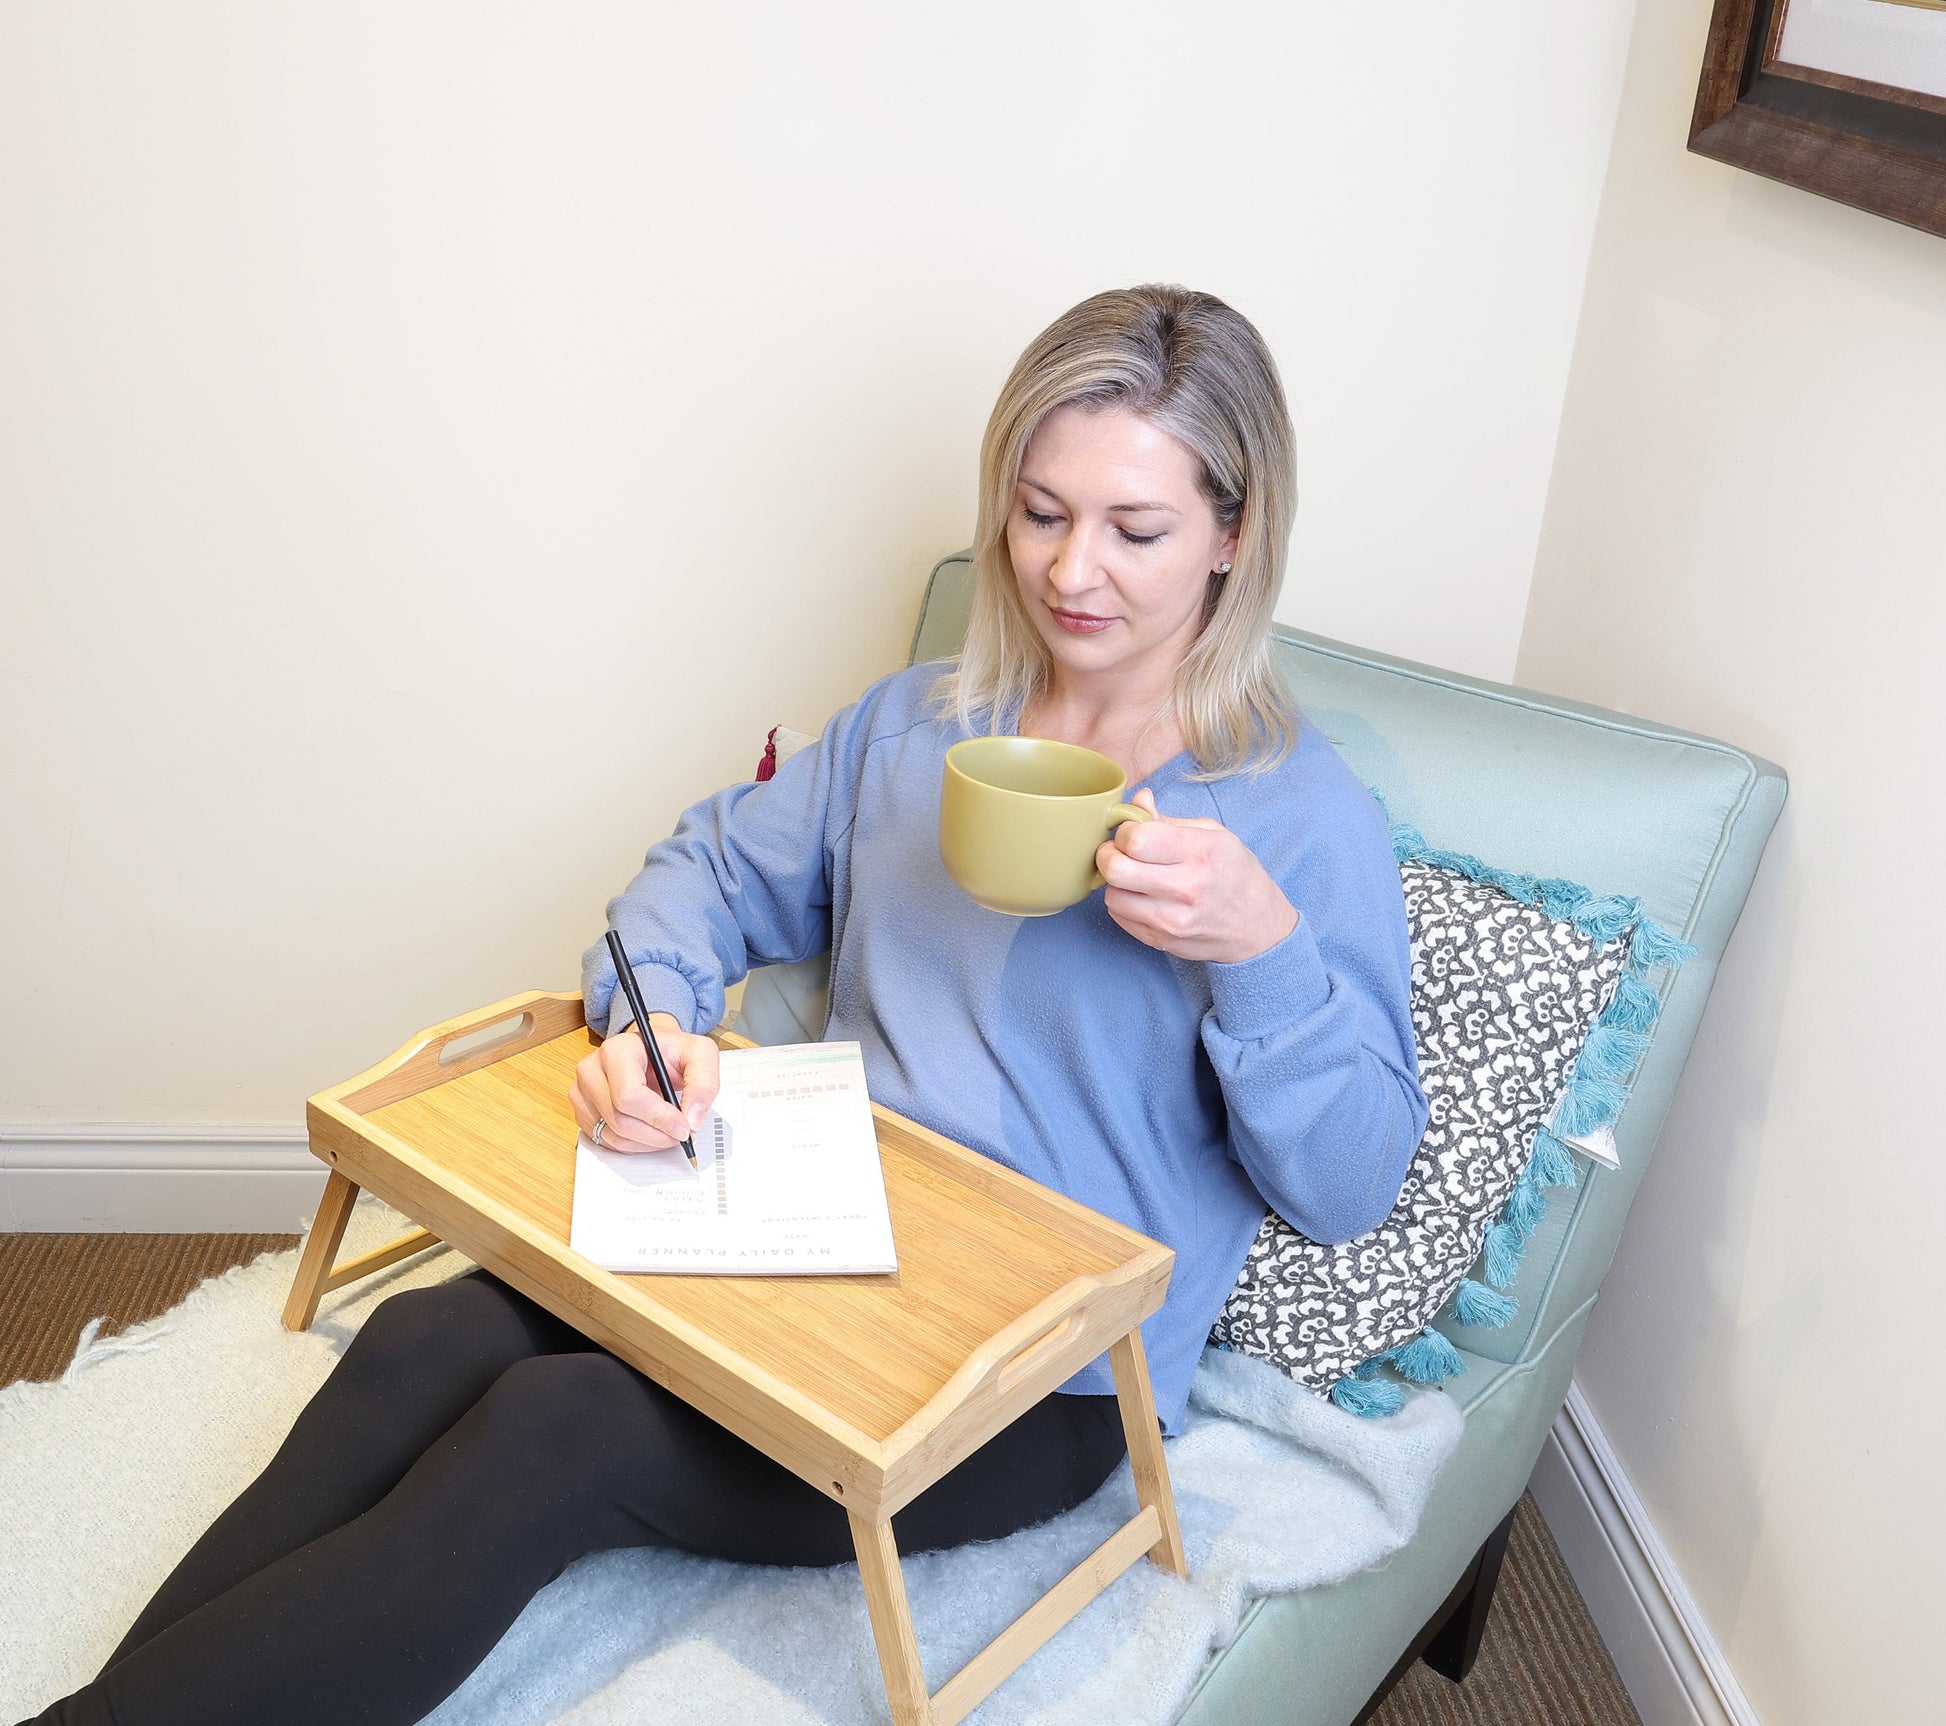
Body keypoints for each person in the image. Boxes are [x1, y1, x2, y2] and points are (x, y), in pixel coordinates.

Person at [23, 285, 1428, 1726]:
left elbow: (1348, 1182)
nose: (1073, 570)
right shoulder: (919, 723)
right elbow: (699, 877)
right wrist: (651, 1027)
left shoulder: (1300, 822)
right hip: (809, 1239)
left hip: (1043, 1375)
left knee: (550, 1436)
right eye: (1037, 510)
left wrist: (1258, 948)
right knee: (422, 1340)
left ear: (1233, 536)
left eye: (1136, 529)